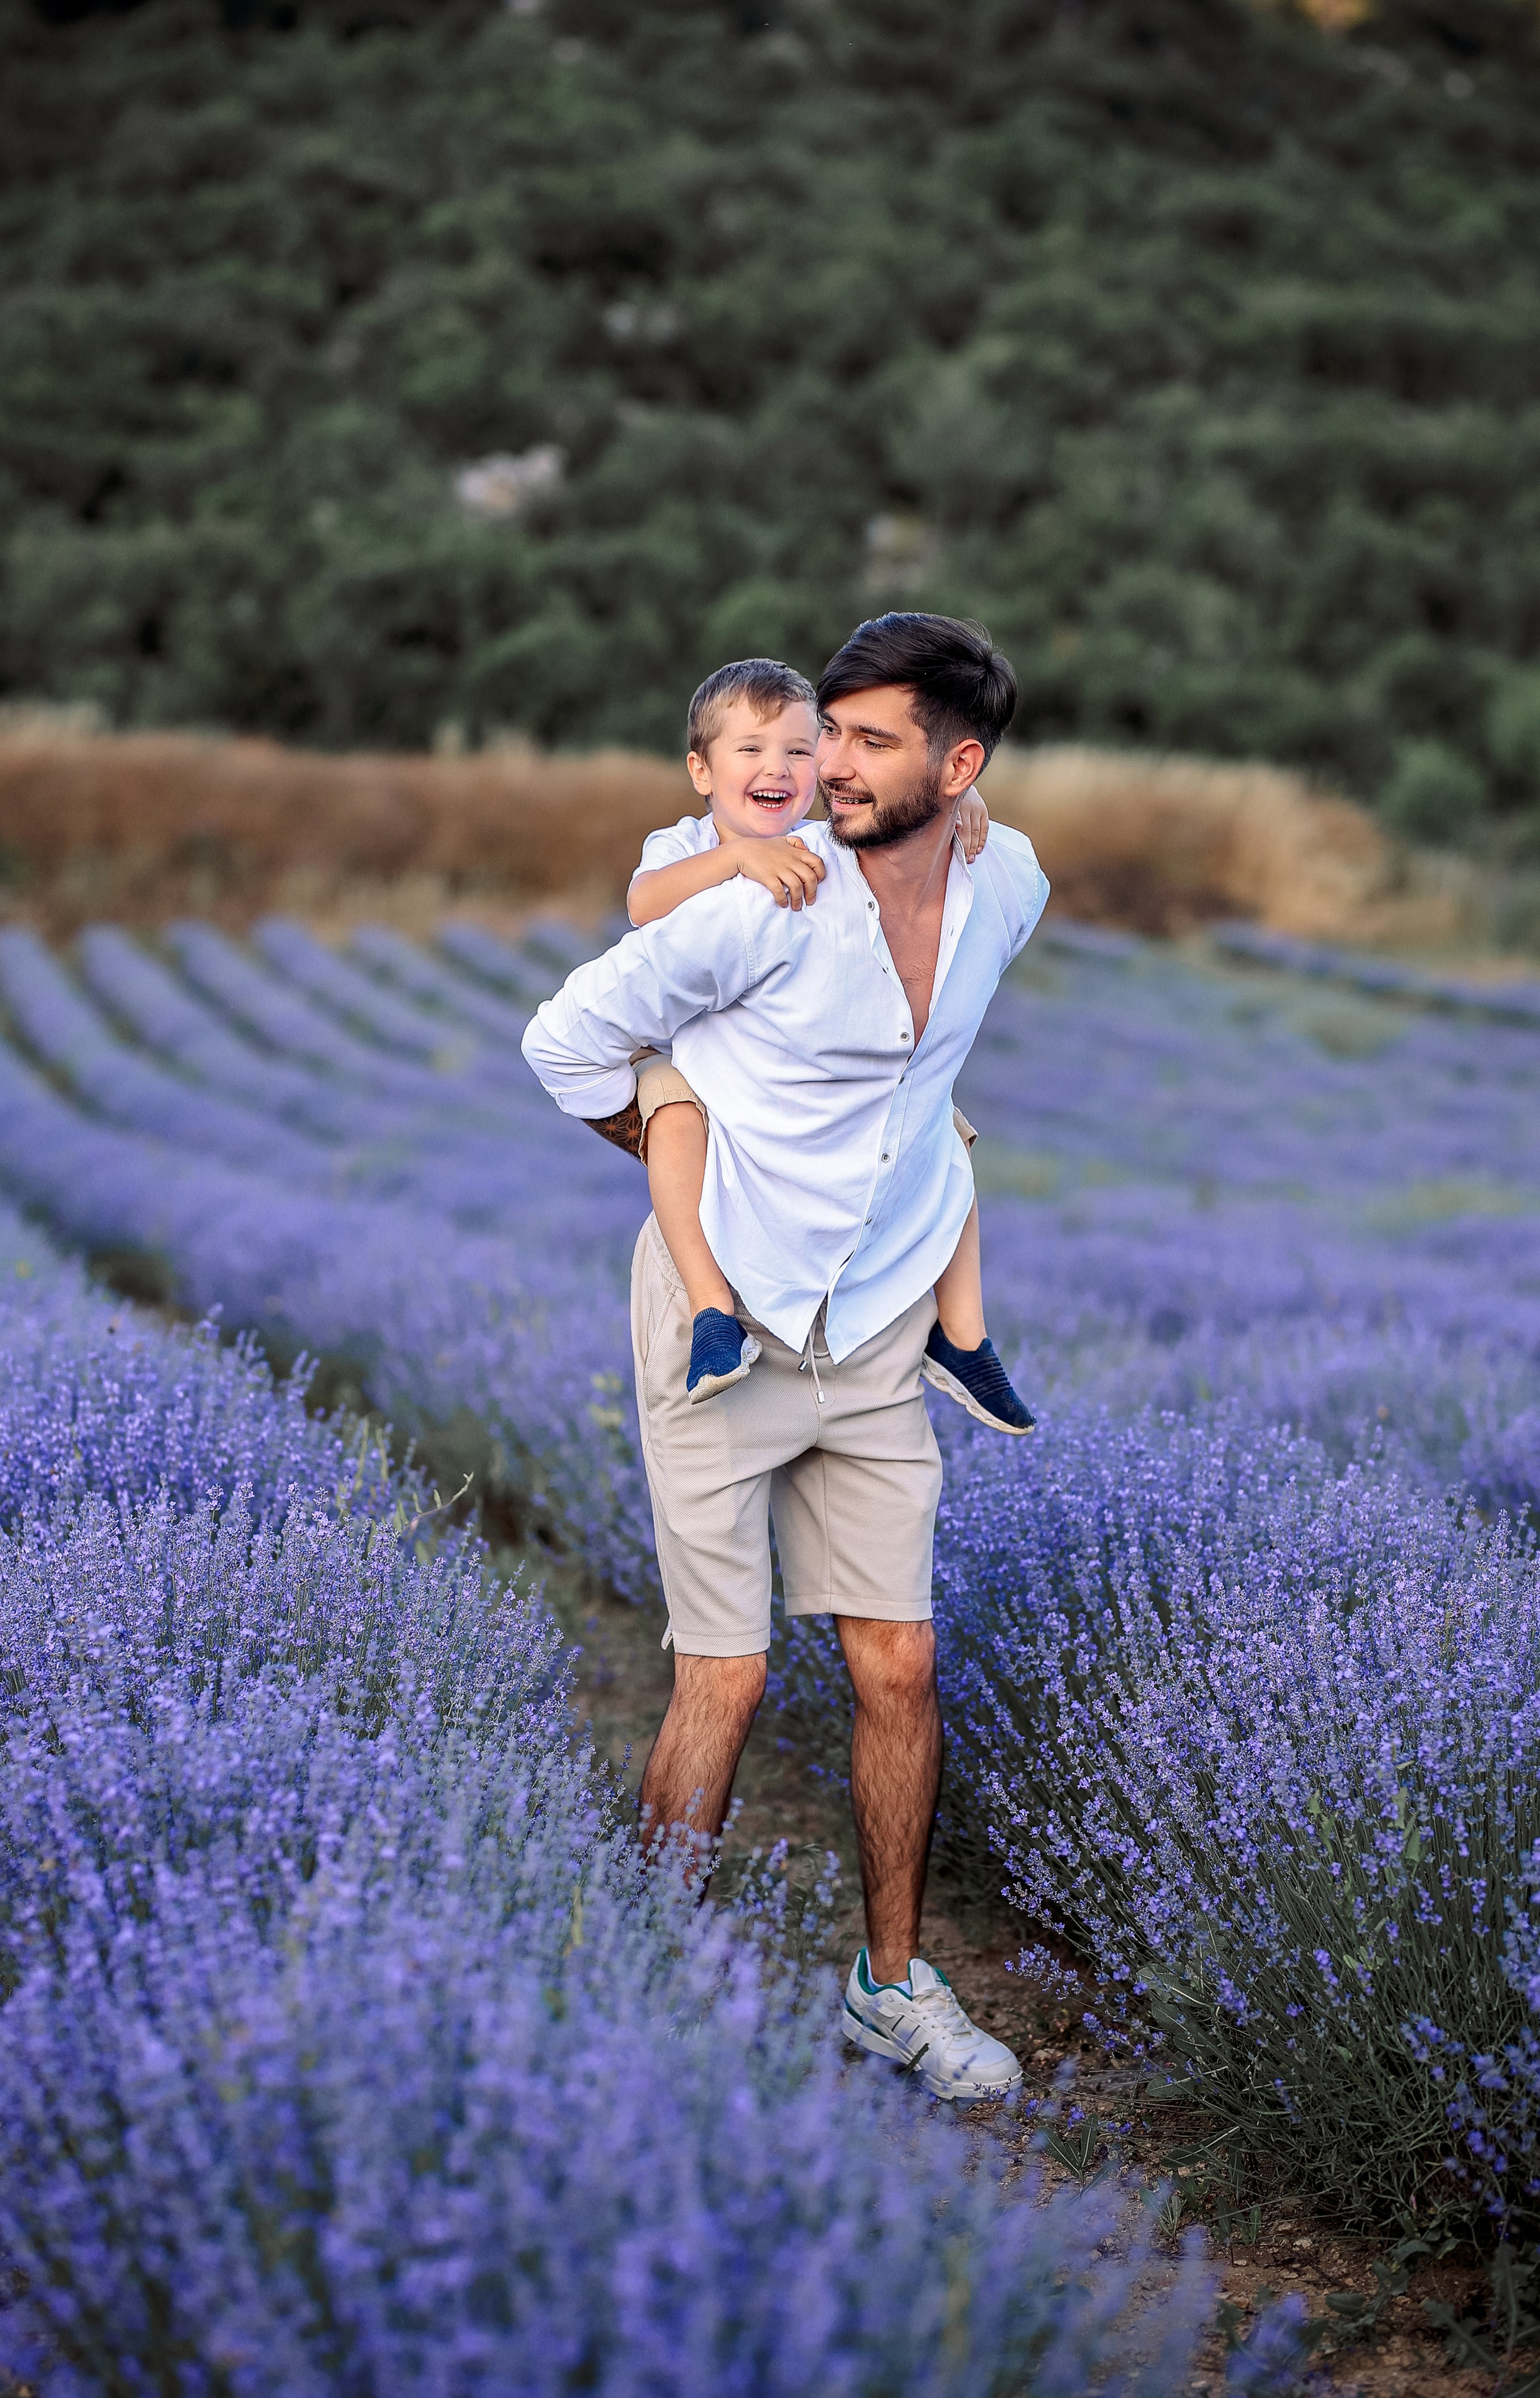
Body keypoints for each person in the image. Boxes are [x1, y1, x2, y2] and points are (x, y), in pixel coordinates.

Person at [521, 612, 1048, 2102]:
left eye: (871, 742)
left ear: (959, 766)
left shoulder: (1005, 879)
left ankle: (890, 1986)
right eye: (831, 734)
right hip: (729, 1322)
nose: (831, 766)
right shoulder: (764, 904)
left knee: (899, 1661)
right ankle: (637, 1985)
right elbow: (562, 1042)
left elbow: (949, 1023)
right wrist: (672, 1144)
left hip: (876, 1326)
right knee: (728, 1673)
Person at [624, 655, 1034, 1436]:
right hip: (691, 1064)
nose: (778, 768)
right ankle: (712, 1310)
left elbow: (906, 802)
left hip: (781, 1077)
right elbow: (644, 905)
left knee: (935, 1130)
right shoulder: (685, 843)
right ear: (700, 771)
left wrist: (959, 796)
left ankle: (963, 1335)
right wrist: (736, 857)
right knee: (675, 1123)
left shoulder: (819, 841)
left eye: (800, 750)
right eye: (750, 750)